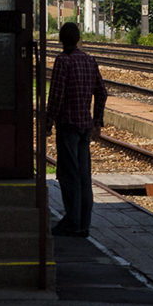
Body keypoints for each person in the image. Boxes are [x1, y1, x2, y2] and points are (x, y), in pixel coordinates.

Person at [47, 22, 106, 237]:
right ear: (79, 38)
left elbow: (56, 95)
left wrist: (48, 122)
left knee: (69, 174)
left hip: (68, 125)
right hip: (84, 126)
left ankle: (72, 221)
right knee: (83, 176)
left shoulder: (63, 61)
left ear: (62, 40)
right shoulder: (90, 61)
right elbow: (102, 92)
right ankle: (84, 224)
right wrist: (97, 120)